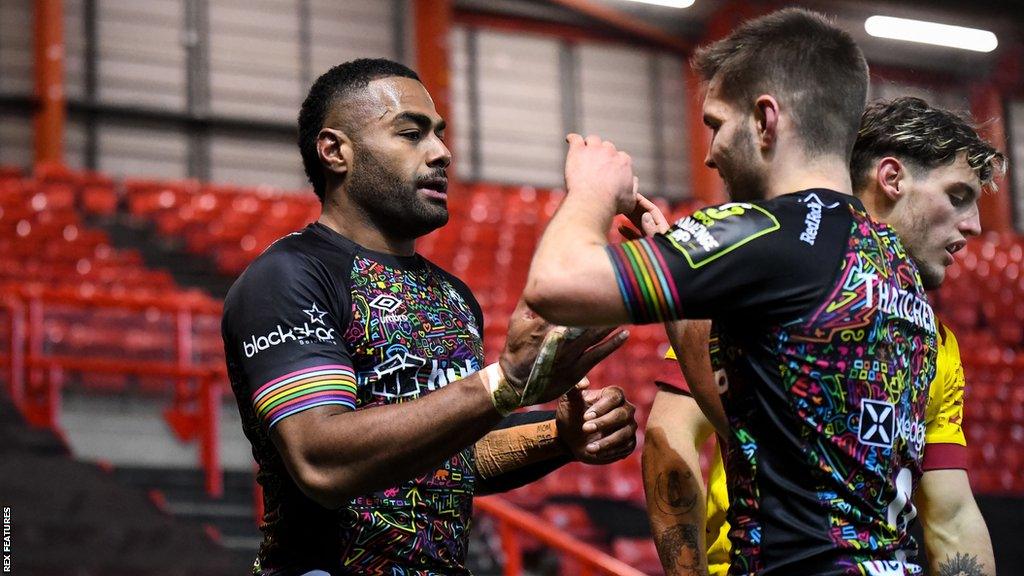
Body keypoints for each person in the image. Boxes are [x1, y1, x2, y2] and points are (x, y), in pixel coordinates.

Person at [524, 8, 941, 574]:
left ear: (766, 119)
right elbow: (774, 430)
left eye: (716, 123)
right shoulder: (894, 264)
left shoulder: (761, 228)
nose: (709, 152)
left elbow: (555, 284)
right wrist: (686, 273)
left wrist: (592, 189)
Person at [221, 58, 639, 576]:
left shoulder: (453, 297)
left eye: (440, 135)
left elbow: (450, 463)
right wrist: (501, 384)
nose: (442, 153)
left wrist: (560, 436)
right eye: (411, 133)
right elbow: (321, 459)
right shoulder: (288, 277)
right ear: (334, 151)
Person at [643, 97, 1004, 576]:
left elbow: (953, 517)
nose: (974, 226)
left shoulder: (938, 344)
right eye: (958, 196)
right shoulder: (764, 283)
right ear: (891, 179)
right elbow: (670, 438)